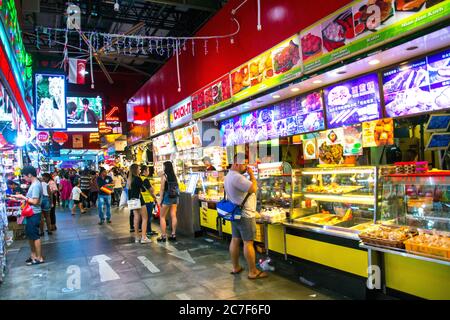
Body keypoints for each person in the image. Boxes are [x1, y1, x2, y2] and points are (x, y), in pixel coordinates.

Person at [225, 154, 268, 280]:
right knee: (248, 242)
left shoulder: (228, 176)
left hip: (236, 213)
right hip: (245, 215)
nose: (246, 167)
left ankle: (236, 267)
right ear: (237, 164)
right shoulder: (237, 178)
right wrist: (252, 176)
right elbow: (253, 188)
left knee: (235, 239)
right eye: (244, 164)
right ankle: (253, 271)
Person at [11, 166, 44, 265]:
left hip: (34, 213)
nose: (24, 178)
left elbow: (35, 201)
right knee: (31, 235)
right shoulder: (34, 184)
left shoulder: (35, 185)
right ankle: (33, 255)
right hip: (31, 213)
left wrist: (23, 197)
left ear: (29, 175)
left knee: (34, 235)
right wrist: (20, 198)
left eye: (24, 176)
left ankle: (39, 257)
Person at [128, 164, 151, 244]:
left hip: (132, 200)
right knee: (145, 218)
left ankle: (137, 237)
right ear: (135, 170)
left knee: (136, 218)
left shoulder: (130, 179)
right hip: (139, 200)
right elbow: (144, 189)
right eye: (139, 169)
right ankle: (144, 237)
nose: (140, 170)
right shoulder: (138, 178)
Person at [157, 161, 179, 242]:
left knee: (162, 217)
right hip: (175, 197)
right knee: (173, 215)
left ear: (165, 167)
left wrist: (160, 199)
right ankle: (173, 234)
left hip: (167, 197)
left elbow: (162, 189)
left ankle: (163, 236)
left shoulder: (164, 176)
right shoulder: (174, 176)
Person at [141, 165, 158, 237]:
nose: (148, 172)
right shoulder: (145, 179)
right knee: (148, 216)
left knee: (146, 217)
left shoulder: (140, 178)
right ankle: (148, 231)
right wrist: (155, 198)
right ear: (144, 171)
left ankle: (148, 230)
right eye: (147, 170)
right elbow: (151, 190)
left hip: (143, 200)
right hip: (148, 200)